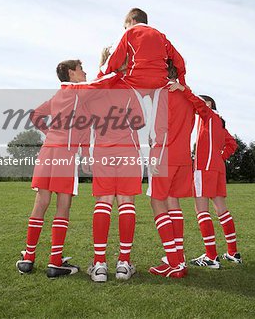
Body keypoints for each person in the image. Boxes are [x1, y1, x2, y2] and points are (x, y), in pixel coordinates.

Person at [16, 60, 121, 278]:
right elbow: (103, 82)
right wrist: (119, 71)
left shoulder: (58, 95)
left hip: (47, 151)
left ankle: (28, 259)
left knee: (41, 203)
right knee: (63, 206)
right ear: (71, 73)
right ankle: (55, 262)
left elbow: (34, 115)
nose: (85, 73)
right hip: (66, 154)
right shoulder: (80, 91)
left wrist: (51, 135)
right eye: (81, 70)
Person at [85, 48, 146, 282]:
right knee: (126, 203)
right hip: (128, 151)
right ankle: (123, 264)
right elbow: (138, 123)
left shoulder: (94, 88)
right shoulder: (130, 89)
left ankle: (100, 264)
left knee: (104, 202)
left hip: (102, 152)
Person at [146, 61, 209, 278]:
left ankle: (174, 262)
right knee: (173, 202)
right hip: (183, 157)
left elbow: (159, 128)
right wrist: (187, 90)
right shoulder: (185, 94)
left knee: (157, 202)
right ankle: (179, 259)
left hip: (164, 155)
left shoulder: (162, 92)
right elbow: (207, 113)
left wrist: (154, 154)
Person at [169, 84, 241, 268]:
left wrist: (181, 88)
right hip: (217, 169)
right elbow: (232, 144)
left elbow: (194, 100)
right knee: (222, 210)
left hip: (204, 168)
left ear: (208, 104)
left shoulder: (207, 115)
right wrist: (219, 157)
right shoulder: (218, 122)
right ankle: (233, 253)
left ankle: (211, 257)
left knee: (202, 211)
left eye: (201, 103)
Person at [99, 8, 187, 89]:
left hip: (136, 80)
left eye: (125, 27)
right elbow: (179, 60)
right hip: (160, 82)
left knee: (114, 82)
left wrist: (101, 76)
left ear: (132, 21)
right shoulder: (160, 36)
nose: (125, 29)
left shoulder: (129, 33)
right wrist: (182, 83)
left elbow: (115, 58)